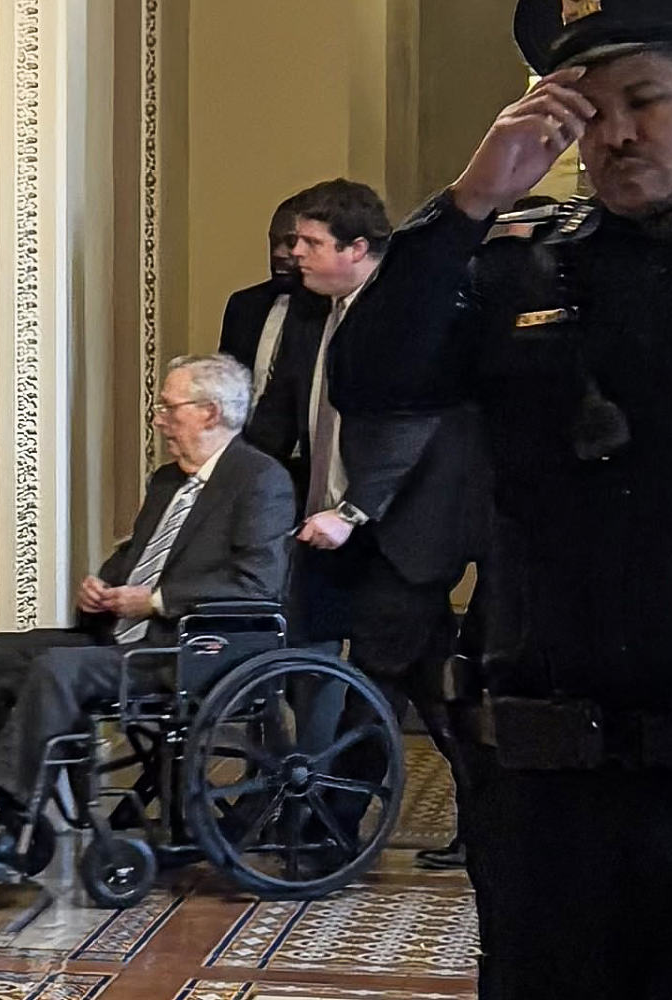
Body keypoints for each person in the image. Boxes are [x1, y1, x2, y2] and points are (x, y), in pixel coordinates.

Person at [329, 1, 672, 995]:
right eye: (589, 109)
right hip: (547, 796)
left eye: (644, 102)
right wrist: (469, 200)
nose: (614, 133)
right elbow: (375, 378)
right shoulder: (516, 265)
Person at [0, 354, 295, 877]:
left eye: (168, 408)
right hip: (125, 640)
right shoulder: (168, 482)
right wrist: (102, 588)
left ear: (208, 412)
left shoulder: (260, 480)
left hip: (190, 652)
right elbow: (136, 555)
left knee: (57, 669)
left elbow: (256, 583)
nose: (159, 419)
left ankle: (15, 824)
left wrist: (156, 601)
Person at [247, 179, 485, 870]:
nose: (294, 254)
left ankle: (330, 832)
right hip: (338, 531)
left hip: (406, 530)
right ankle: (495, 819)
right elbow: (279, 416)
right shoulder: (307, 315)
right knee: (433, 687)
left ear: (357, 248)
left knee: (375, 677)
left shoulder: (404, 310)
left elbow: (415, 431)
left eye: (310, 242)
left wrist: (354, 512)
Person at [218, 193, 330, 406]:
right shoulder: (244, 306)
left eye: (290, 242)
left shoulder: (331, 311)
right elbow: (225, 387)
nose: (278, 253)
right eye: (273, 242)